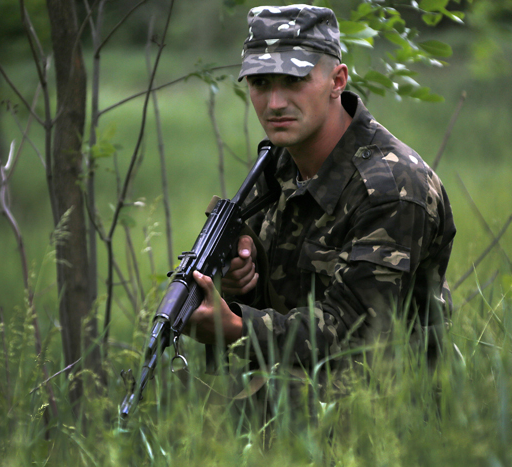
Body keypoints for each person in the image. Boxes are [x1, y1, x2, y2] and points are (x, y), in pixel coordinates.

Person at [186, 4, 455, 387]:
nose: (275, 103)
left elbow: (353, 335)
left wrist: (236, 327)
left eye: (293, 81)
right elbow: (284, 292)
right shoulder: (280, 164)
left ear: (337, 80)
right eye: (261, 83)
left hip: (382, 409)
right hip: (294, 390)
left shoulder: (392, 187)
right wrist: (238, 278)